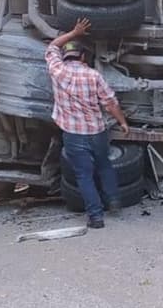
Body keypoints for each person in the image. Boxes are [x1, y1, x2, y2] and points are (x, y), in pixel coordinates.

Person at [44, 18, 130, 229]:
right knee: (104, 165)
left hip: (73, 135)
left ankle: (96, 217)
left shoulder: (58, 71)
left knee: (84, 175)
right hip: (97, 132)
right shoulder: (94, 75)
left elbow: (53, 46)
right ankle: (114, 201)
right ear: (83, 57)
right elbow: (110, 103)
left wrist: (74, 32)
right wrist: (123, 122)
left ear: (66, 57)